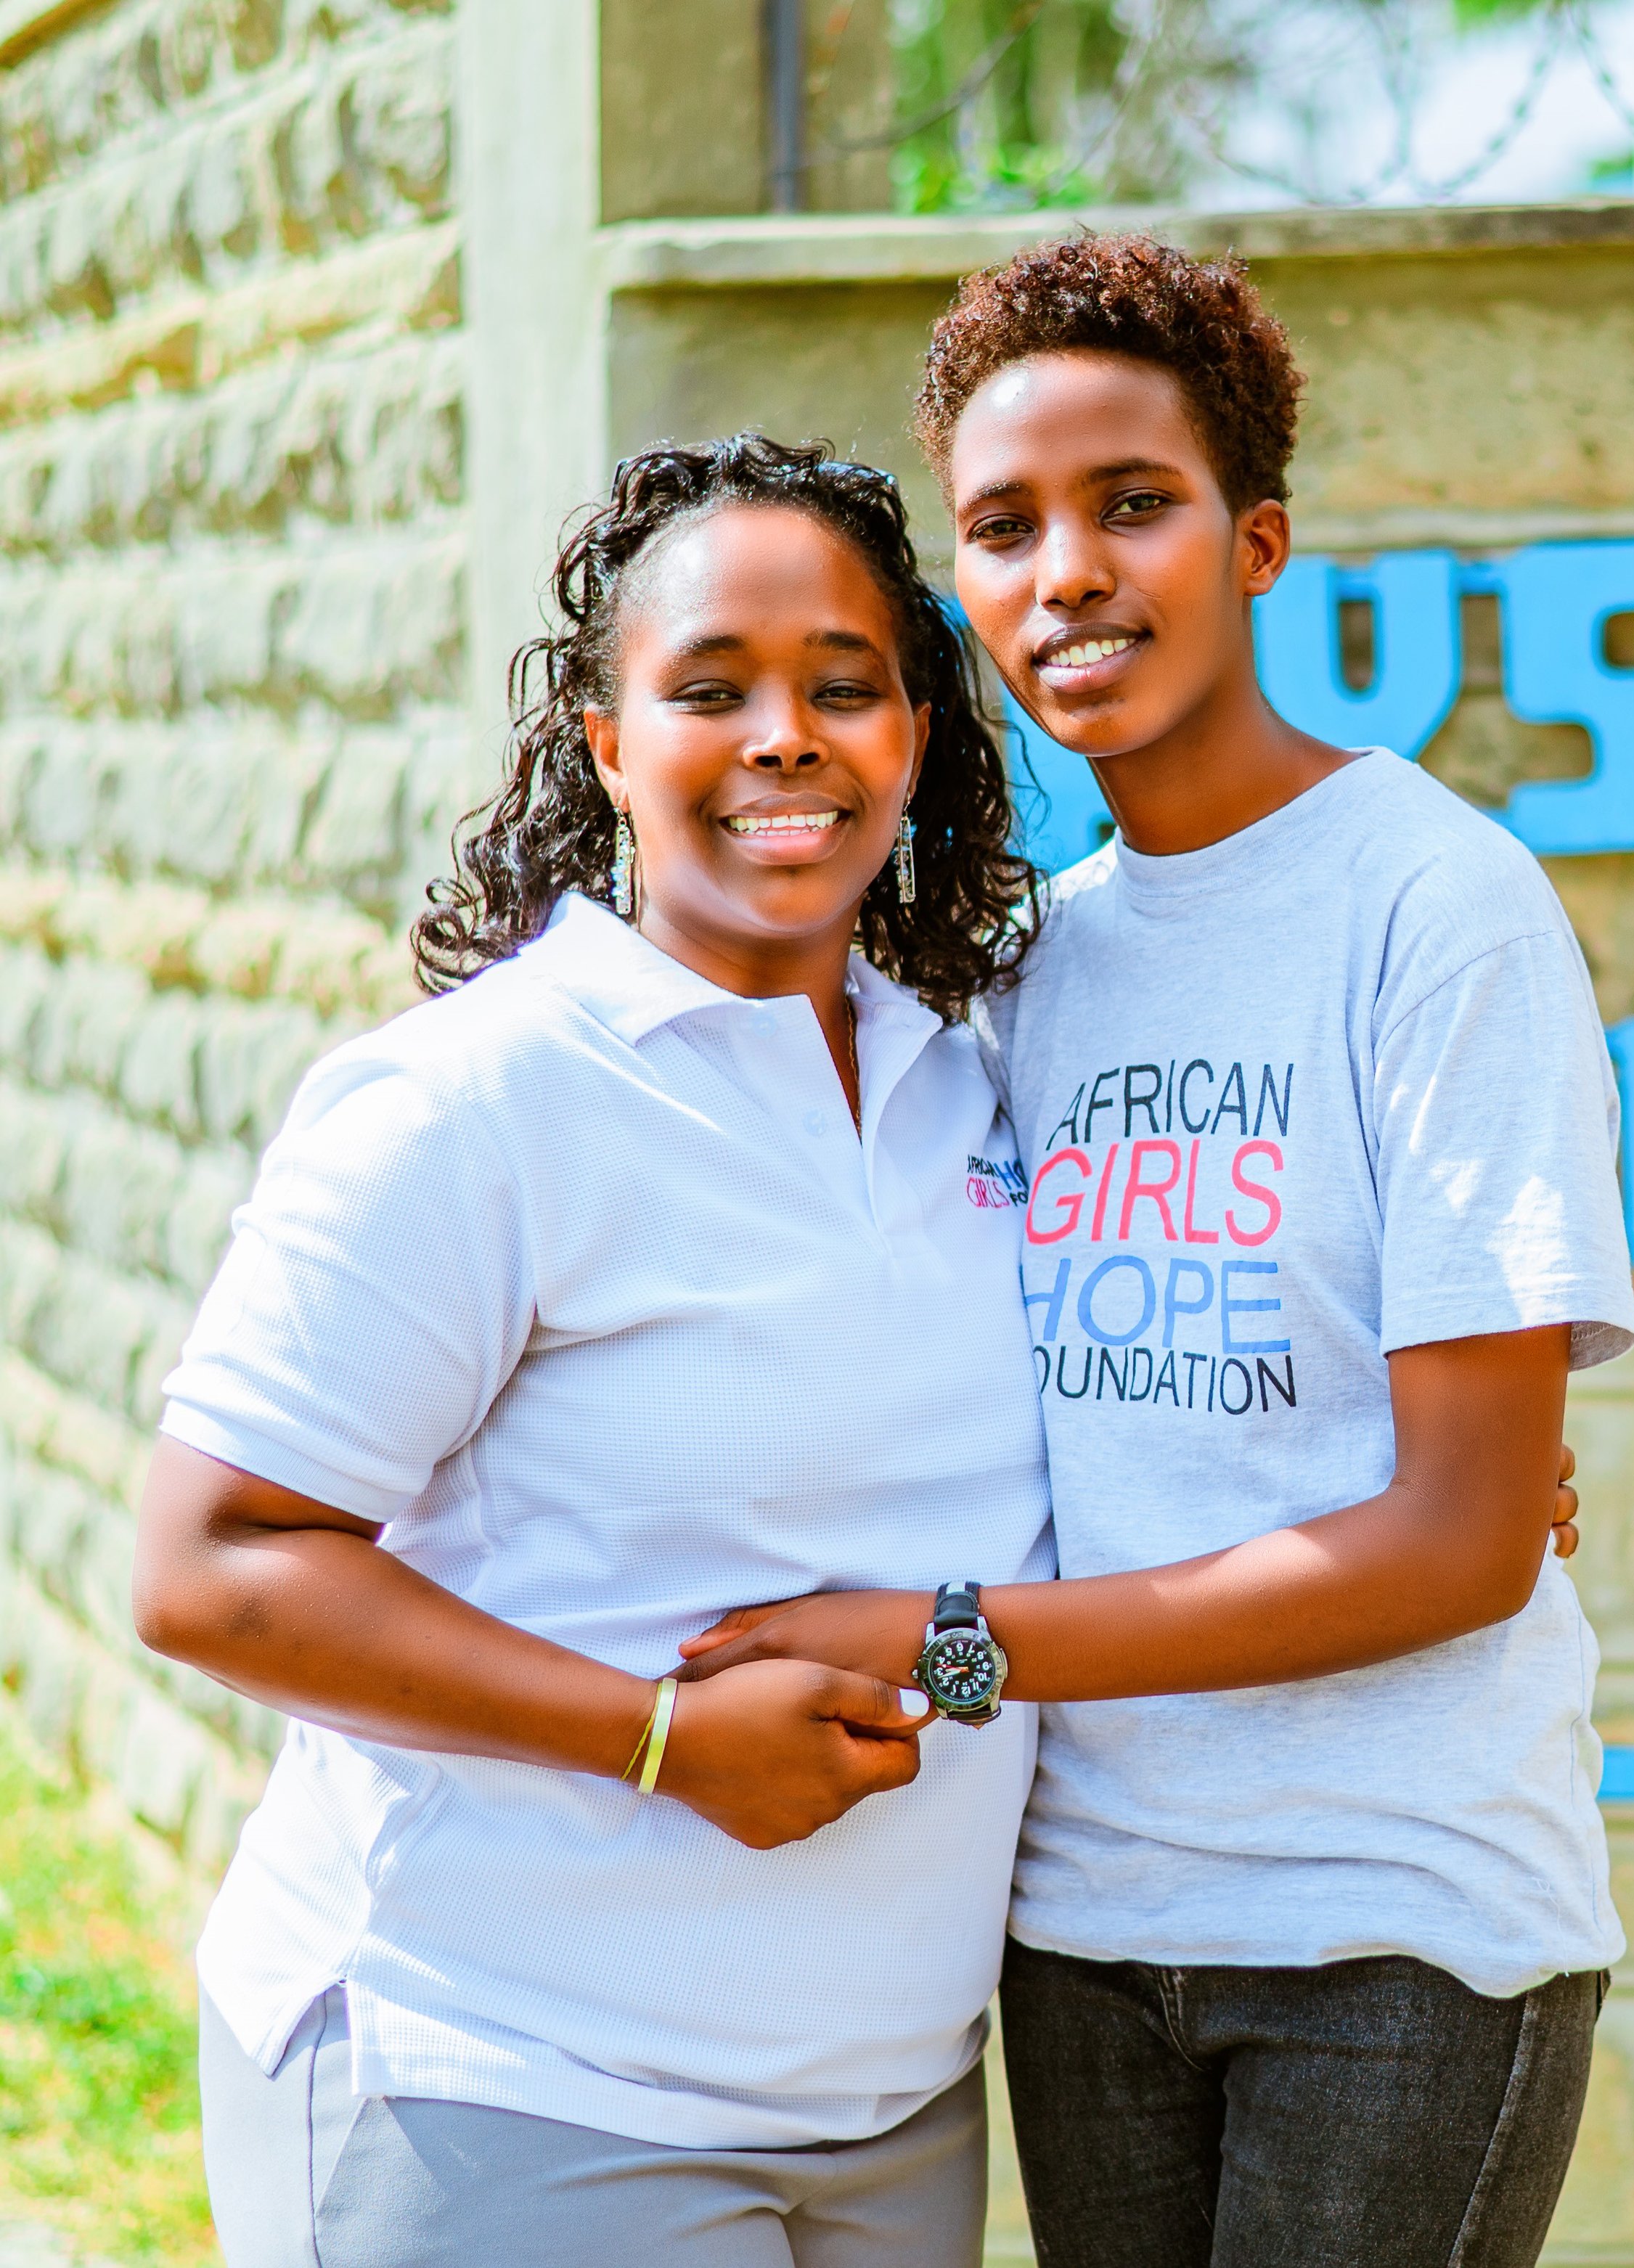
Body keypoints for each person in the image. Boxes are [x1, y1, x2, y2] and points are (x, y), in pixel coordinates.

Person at [679, 236, 1634, 2268]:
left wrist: (939, 1634)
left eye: (1134, 504)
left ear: (1255, 536)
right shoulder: (1019, 966)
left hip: (1397, 1931)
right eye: (1006, 527)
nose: (1070, 575)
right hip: (1080, 1923)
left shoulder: (1434, 906)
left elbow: (1460, 1540)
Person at [131, 435, 1059, 2268]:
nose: (783, 736)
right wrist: (654, 1738)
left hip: (891, 2113)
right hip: (508, 2086)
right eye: (708, 690)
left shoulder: (977, 1086)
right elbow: (208, 1566)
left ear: (920, 738)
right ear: (607, 742)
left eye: (842, 688)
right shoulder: (475, 1104)